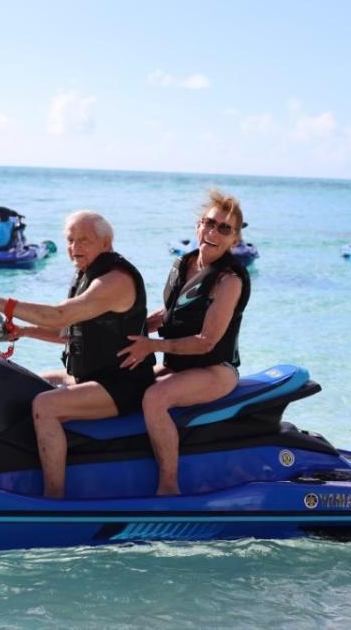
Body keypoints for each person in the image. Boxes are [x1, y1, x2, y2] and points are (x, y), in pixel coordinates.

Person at [0, 211, 155, 498]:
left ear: (106, 242)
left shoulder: (114, 281)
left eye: (84, 240)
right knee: (20, 382)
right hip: (91, 376)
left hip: (122, 384)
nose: (75, 247)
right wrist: (23, 332)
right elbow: (68, 332)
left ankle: (54, 495)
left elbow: (59, 315)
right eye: (70, 240)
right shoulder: (88, 275)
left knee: (46, 406)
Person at [117, 190, 251, 496]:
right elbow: (173, 313)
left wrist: (151, 347)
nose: (213, 232)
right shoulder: (185, 264)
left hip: (216, 370)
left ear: (235, 240)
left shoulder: (228, 281)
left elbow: (206, 342)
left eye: (224, 229)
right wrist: (134, 327)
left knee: (154, 398)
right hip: (179, 365)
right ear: (198, 225)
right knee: (124, 381)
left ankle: (169, 485)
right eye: (209, 223)